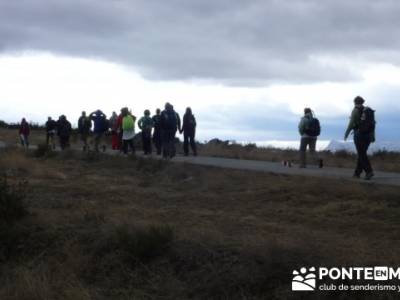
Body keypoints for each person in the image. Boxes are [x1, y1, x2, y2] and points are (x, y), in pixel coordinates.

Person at [344, 96, 375, 180]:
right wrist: (373, 136)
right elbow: (373, 124)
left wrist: (346, 134)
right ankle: (357, 173)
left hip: (359, 134)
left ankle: (369, 171)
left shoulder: (355, 110)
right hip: (368, 135)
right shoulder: (368, 111)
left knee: (361, 154)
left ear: (355, 102)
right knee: (362, 154)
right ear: (362, 102)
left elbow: (351, 124)